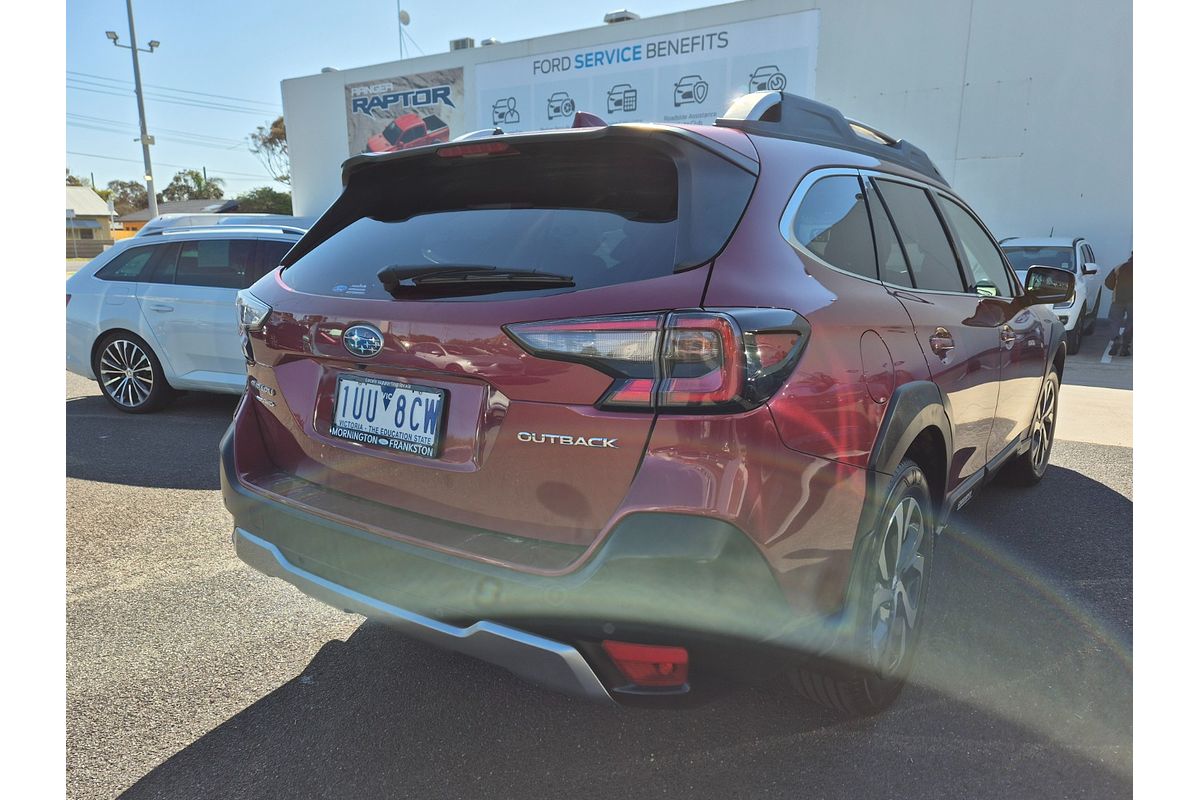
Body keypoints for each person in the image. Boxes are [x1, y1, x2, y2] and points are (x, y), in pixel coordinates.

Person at [1105, 252, 1133, 356]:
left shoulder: (1119, 267)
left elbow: (1108, 283)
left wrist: (1117, 289)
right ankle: (1125, 348)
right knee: (1131, 323)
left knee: (1114, 322)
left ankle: (1116, 340)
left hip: (1117, 300)